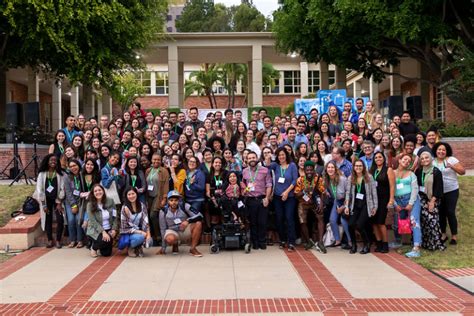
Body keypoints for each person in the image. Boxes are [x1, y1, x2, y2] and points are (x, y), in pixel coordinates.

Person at [432, 142, 465, 245]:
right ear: (436, 150)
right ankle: (443, 234)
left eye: (443, 150)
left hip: (451, 190)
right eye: (439, 149)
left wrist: (452, 167)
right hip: (439, 191)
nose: (441, 151)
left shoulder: (452, 160)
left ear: (446, 151)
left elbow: (462, 171)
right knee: (441, 213)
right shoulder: (433, 162)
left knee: (450, 212)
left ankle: (454, 236)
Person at [344, 159, 378, 254]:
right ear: (353, 167)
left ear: (363, 167)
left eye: (360, 166)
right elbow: (348, 193)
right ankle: (354, 245)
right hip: (355, 204)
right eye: (356, 166)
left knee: (359, 225)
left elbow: (374, 193)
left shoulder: (369, 177)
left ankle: (367, 244)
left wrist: (375, 207)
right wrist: (346, 206)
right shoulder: (351, 178)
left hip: (366, 205)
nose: (358, 168)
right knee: (350, 224)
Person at [157, 190, 204, 257]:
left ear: (179, 201)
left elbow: (200, 216)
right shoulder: (163, 211)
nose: (174, 202)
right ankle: (175, 244)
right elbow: (162, 229)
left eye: (176, 200)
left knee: (198, 224)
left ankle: (193, 249)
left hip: (184, 230)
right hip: (172, 231)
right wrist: (163, 248)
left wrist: (188, 221)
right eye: (171, 200)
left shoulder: (184, 206)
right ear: (168, 201)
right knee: (170, 239)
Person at [242, 151, 273, 249]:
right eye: (249, 158)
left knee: (262, 222)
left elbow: (269, 184)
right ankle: (255, 243)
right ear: (247, 160)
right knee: (253, 222)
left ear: (257, 158)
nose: (252, 159)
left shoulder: (264, 170)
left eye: (253, 157)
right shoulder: (245, 171)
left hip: (261, 199)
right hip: (250, 200)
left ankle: (262, 242)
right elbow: (244, 185)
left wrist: (267, 198)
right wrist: (244, 191)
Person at [393, 154, 422, 257]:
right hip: (398, 201)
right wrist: (395, 204)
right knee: (398, 222)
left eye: (409, 161)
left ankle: (416, 248)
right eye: (405, 159)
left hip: (412, 199)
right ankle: (398, 241)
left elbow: (415, 189)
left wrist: (410, 203)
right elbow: (390, 190)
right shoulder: (392, 173)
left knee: (414, 221)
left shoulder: (411, 174)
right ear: (400, 160)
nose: (407, 162)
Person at [33, 154, 65, 248]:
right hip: (46, 201)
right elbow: (39, 189)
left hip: (57, 200)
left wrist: (59, 202)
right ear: (47, 161)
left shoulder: (60, 174)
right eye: (51, 160)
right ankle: (50, 240)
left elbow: (62, 189)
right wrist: (43, 205)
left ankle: (58, 240)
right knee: (48, 220)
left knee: (60, 220)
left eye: (55, 160)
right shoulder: (42, 174)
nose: (53, 162)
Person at [270, 147, 299, 252]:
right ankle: (282, 240)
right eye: (279, 155)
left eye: (283, 154)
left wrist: (286, 192)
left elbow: (295, 180)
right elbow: (266, 165)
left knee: (289, 218)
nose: (281, 157)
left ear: (286, 155)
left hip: (289, 197)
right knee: (279, 218)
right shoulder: (275, 166)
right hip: (277, 197)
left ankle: (291, 241)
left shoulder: (292, 166)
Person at [416, 152, 446, 251]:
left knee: (432, 221)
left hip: (433, 199)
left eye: (426, 158)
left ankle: (435, 243)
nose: (424, 160)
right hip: (422, 199)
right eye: (422, 158)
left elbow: (439, 188)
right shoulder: (419, 171)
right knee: (424, 221)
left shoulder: (436, 171)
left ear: (431, 159)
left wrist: (432, 202)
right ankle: (425, 243)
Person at [294, 161, 326, 252]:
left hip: (315, 202)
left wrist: (321, 203)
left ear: (314, 170)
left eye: (311, 170)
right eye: (307, 170)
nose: (309, 172)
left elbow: (323, 192)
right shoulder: (300, 180)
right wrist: (303, 192)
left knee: (320, 217)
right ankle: (309, 241)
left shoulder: (318, 179)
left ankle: (320, 242)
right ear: (304, 170)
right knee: (302, 221)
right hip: (303, 203)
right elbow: (296, 194)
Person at [369, 152, 395, 253]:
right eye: (376, 158)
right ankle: (378, 243)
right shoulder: (372, 171)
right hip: (373, 200)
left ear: (383, 159)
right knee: (374, 223)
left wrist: (391, 200)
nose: (378, 159)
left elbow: (392, 186)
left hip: (384, 199)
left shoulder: (388, 170)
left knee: (381, 222)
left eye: (380, 157)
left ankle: (385, 244)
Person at [86, 184, 119, 257]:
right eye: (95, 191)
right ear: (93, 193)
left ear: (103, 191)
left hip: (108, 229)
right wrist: (103, 232)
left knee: (106, 254)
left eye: (99, 190)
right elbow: (92, 221)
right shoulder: (90, 204)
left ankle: (100, 245)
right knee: (104, 240)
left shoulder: (110, 201)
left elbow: (115, 216)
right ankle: (93, 247)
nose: (98, 192)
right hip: (95, 230)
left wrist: (114, 229)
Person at [325, 161, 351, 249]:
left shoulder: (342, 179)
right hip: (337, 201)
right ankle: (337, 240)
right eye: (328, 167)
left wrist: (344, 207)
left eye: (332, 167)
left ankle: (350, 241)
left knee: (343, 220)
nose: (330, 169)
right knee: (332, 220)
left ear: (336, 169)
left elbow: (349, 194)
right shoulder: (327, 180)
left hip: (347, 201)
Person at [146, 153, 170, 244]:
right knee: (150, 217)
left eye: (158, 160)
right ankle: (154, 237)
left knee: (153, 215)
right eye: (154, 159)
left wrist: (164, 198)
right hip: (149, 197)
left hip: (158, 196)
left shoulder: (163, 171)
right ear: (151, 160)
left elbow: (166, 186)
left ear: (161, 161)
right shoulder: (148, 170)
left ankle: (159, 236)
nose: (156, 161)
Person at [119, 188, 151, 257]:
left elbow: (145, 221)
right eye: (129, 194)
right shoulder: (124, 208)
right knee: (140, 238)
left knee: (150, 241)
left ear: (136, 194)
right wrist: (141, 232)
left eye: (133, 194)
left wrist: (148, 234)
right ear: (126, 196)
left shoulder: (142, 205)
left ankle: (138, 247)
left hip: (139, 230)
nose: (131, 196)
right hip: (128, 232)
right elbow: (124, 227)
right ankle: (131, 248)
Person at [63, 159, 86, 248]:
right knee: (71, 220)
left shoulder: (82, 175)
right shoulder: (67, 177)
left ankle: (80, 240)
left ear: (79, 166)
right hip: (70, 202)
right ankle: (72, 240)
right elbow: (68, 192)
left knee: (78, 220)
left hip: (81, 201)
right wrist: (73, 205)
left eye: (75, 165)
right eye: (71, 166)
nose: (73, 168)